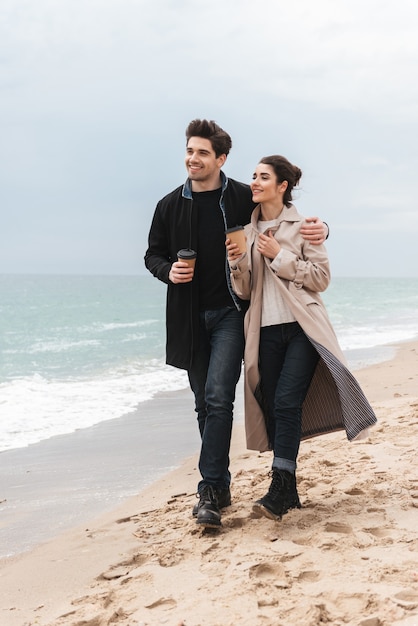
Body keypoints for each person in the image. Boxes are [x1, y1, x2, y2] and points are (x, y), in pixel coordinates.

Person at [144, 120, 328, 529]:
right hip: (187, 318)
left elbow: (284, 217)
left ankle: (207, 490)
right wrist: (167, 271)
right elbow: (152, 254)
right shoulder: (169, 204)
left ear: (220, 159)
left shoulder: (243, 197)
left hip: (231, 313)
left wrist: (324, 229)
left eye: (202, 152)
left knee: (217, 397)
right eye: (190, 151)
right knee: (202, 404)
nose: (193, 158)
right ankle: (222, 485)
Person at [226, 154, 377, 521]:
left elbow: (320, 279)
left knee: (287, 402)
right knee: (274, 404)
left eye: (264, 177)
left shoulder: (305, 226)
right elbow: (245, 292)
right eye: (253, 177)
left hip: (303, 330)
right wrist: (236, 264)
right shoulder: (244, 232)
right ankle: (288, 490)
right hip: (263, 330)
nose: (255, 183)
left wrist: (279, 257)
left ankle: (279, 485)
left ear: (282, 186)